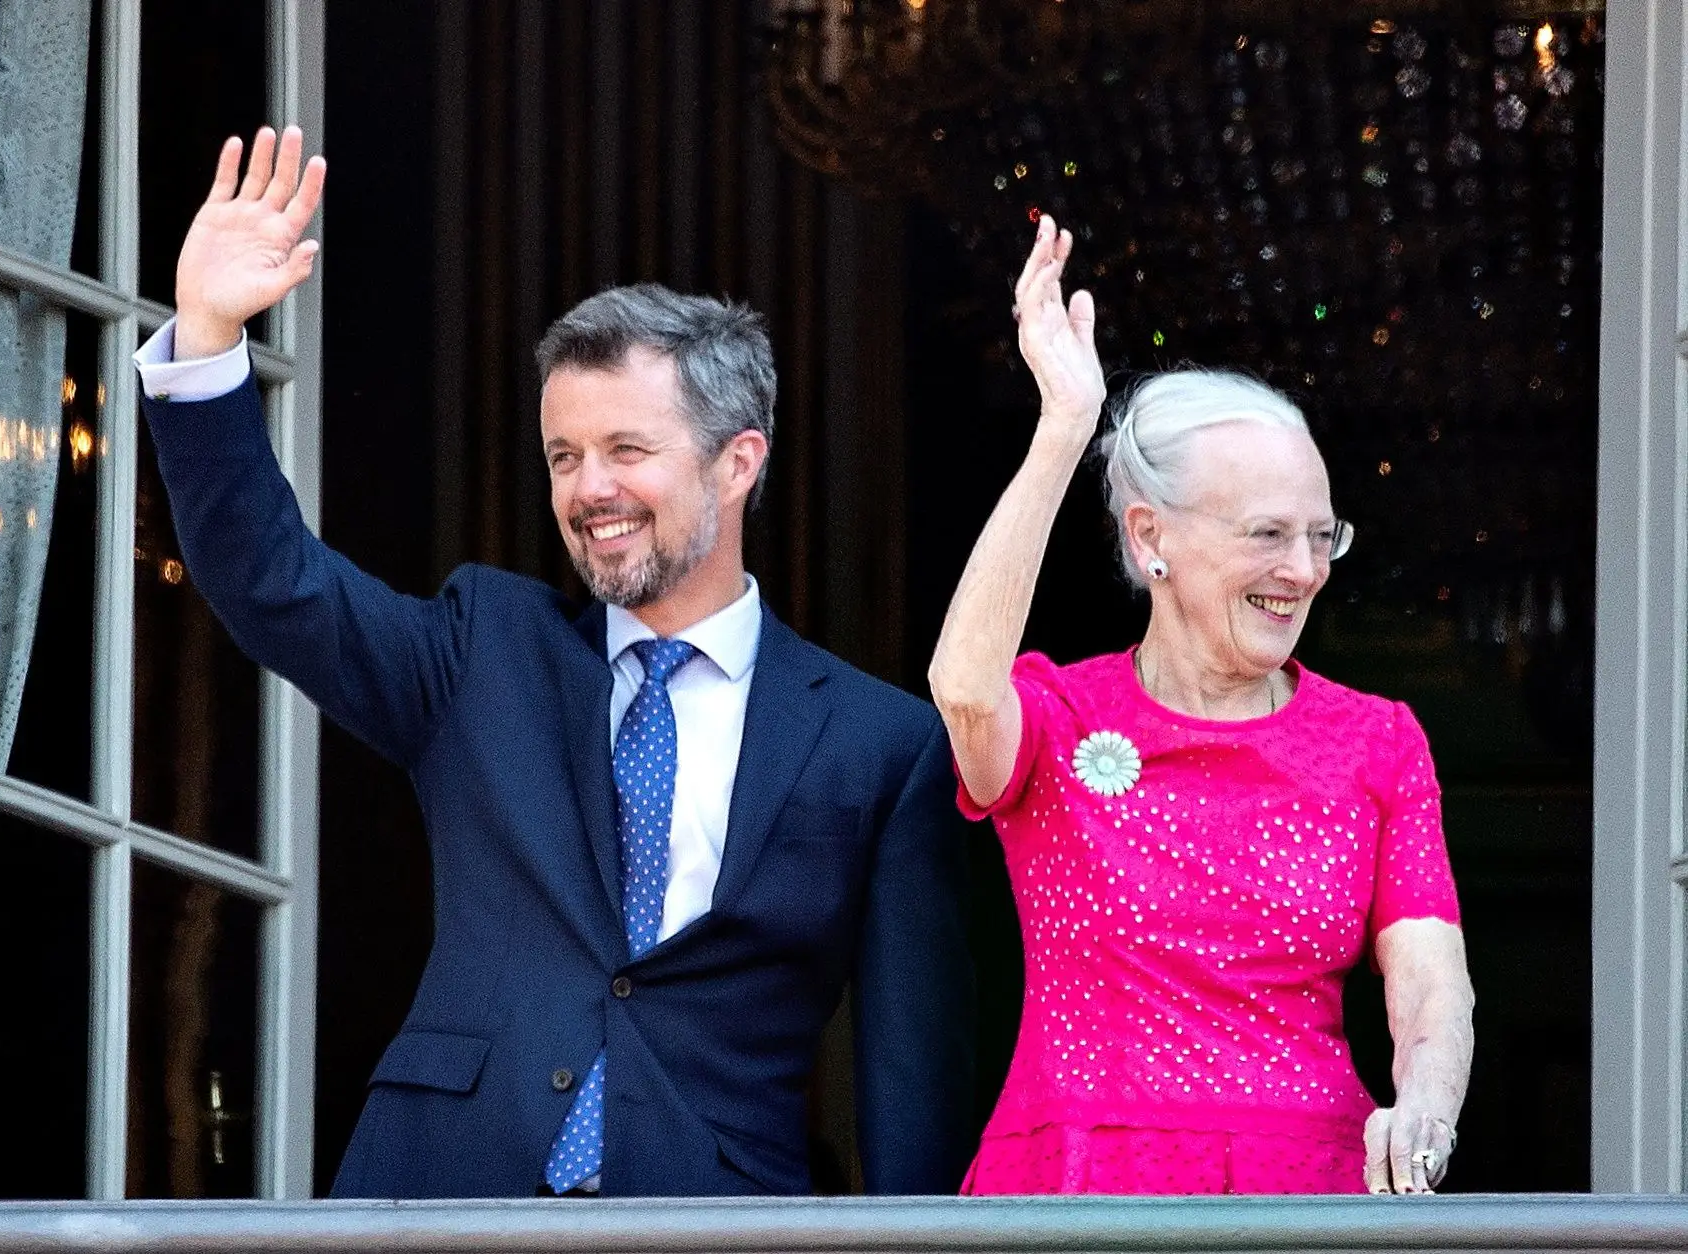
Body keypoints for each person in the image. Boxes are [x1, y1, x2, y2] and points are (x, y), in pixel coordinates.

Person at [135, 126, 973, 1198]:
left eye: (628, 450)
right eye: (565, 457)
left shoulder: (879, 743)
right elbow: (271, 582)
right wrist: (206, 339)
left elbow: (910, 1074)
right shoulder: (482, 649)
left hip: (708, 1214)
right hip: (443, 1193)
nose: (589, 489)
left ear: (737, 462)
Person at [928, 214, 1474, 1196]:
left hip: (1309, 1193)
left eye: (1322, 535)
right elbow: (964, 689)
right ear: (1150, 539)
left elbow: (1432, 985)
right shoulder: (1059, 717)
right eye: (1268, 534)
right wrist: (1063, 432)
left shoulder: (1376, 739)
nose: (1302, 571)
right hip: (1076, 1190)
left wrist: (1425, 1113)